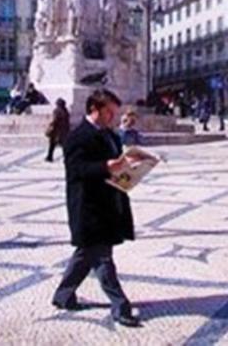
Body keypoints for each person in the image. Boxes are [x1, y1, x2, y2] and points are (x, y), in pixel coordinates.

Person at [52, 88, 141, 328]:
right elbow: (77, 170)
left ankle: (62, 296)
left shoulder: (110, 135)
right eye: (109, 112)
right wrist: (106, 166)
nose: (113, 117)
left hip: (108, 203)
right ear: (95, 109)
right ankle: (121, 306)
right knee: (102, 258)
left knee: (84, 255)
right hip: (88, 207)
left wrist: (129, 168)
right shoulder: (77, 137)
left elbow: (115, 163)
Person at [46, 98, 71, 162]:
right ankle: (66, 158)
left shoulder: (57, 110)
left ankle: (49, 157)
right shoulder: (66, 111)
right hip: (64, 131)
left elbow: (55, 120)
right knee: (64, 146)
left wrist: (51, 125)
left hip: (56, 131)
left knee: (52, 145)